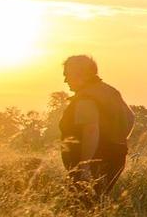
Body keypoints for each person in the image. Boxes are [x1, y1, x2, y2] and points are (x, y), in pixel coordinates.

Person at [58, 55, 135, 200]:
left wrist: (85, 166)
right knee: (96, 204)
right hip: (116, 159)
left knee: (79, 208)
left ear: (81, 74)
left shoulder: (86, 98)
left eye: (67, 75)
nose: (65, 80)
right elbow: (131, 118)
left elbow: (91, 130)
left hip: (92, 164)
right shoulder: (110, 91)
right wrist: (118, 142)